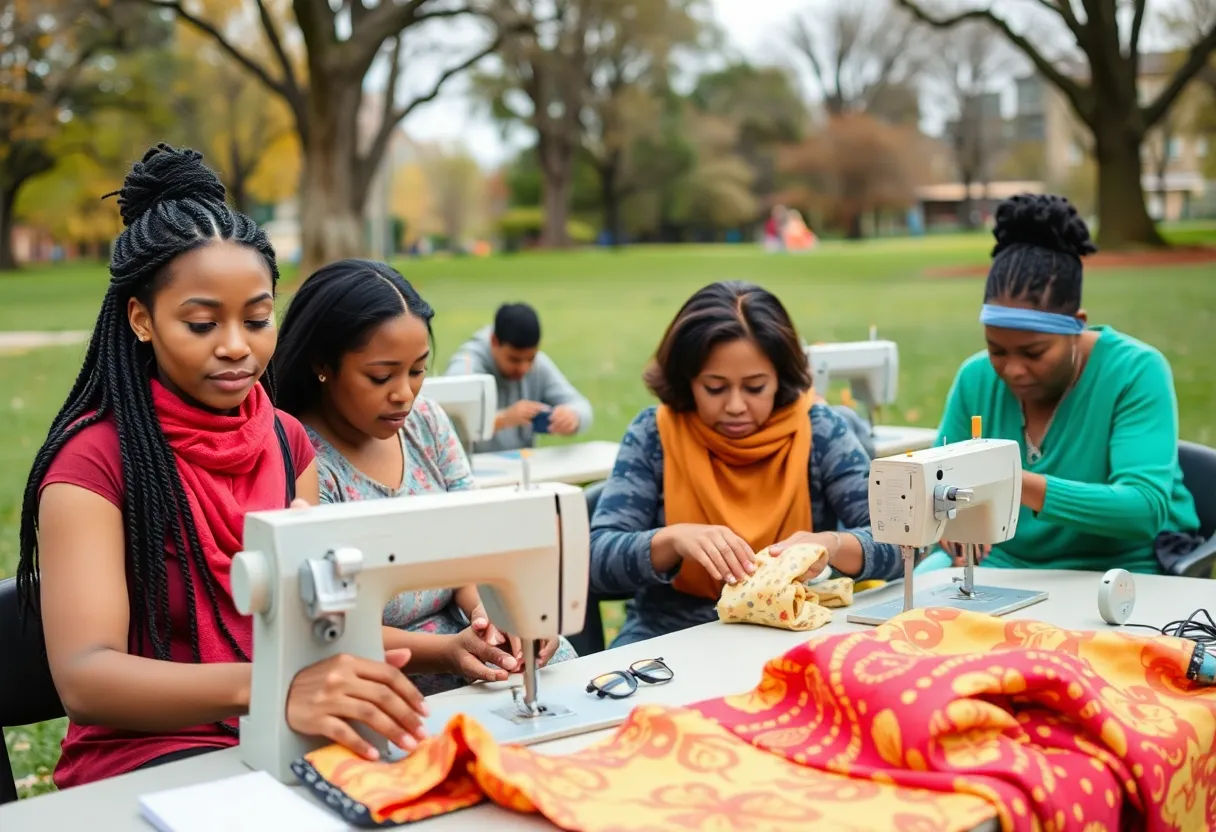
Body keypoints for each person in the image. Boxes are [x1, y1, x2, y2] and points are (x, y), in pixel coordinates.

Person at [17, 145, 429, 790]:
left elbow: (309, 621)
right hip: (145, 761)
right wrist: (275, 687)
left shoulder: (288, 442)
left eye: (259, 319)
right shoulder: (92, 463)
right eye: (203, 323)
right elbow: (87, 679)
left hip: (276, 730)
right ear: (142, 320)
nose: (237, 345)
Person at [274, 260, 577, 695]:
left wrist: (495, 620)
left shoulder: (427, 423)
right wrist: (447, 651)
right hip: (377, 670)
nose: (404, 393)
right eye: (381, 376)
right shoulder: (303, 461)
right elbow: (324, 627)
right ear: (322, 363)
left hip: (465, 636)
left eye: (417, 370)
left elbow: (475, 553)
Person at [588, 281, 902, 647]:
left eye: (754, 387)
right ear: (687, 380)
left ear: (781, 378)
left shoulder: (818, 431)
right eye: (715, 388)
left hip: (794, 626)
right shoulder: (655, 435)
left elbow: (901, 541)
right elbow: (596, 561)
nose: (735, 405)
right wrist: (672, 540)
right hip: (670, 632)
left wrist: (830, 545)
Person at [919, 193, 1201, 576]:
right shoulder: (976, 378)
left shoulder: (1135, 372)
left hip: (1124, 571)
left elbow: (1144, 509)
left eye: (1033, 353)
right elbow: (937, 487)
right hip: (1005, 563)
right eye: (996, 349)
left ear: (1077, 325)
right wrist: (949, 522)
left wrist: (1011, 483)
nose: (1013, 369)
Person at [443, 302, 593, 453]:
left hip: (522, 467)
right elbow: (445, 425)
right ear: (494, 341)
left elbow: (581, 406)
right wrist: (504, 419)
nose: (524, 368)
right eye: (514, 359)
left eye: (530, 358)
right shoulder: (467, 366)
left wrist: (573, 417)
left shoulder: (539, 365)